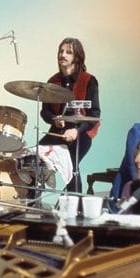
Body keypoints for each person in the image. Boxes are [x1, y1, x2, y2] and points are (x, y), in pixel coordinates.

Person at [38, 37, 100, 192]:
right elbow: (45, 112)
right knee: (35, 159)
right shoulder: (52, 81)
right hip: (57, 131)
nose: (63, 55)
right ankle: (32, 202)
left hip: (81, 132)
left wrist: (76, 131)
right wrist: (54, 119)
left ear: (77, 57)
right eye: (61, 51)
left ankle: (76, 208)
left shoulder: (89, 80)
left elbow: (94, 114)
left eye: (68, 52)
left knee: (71, 164)